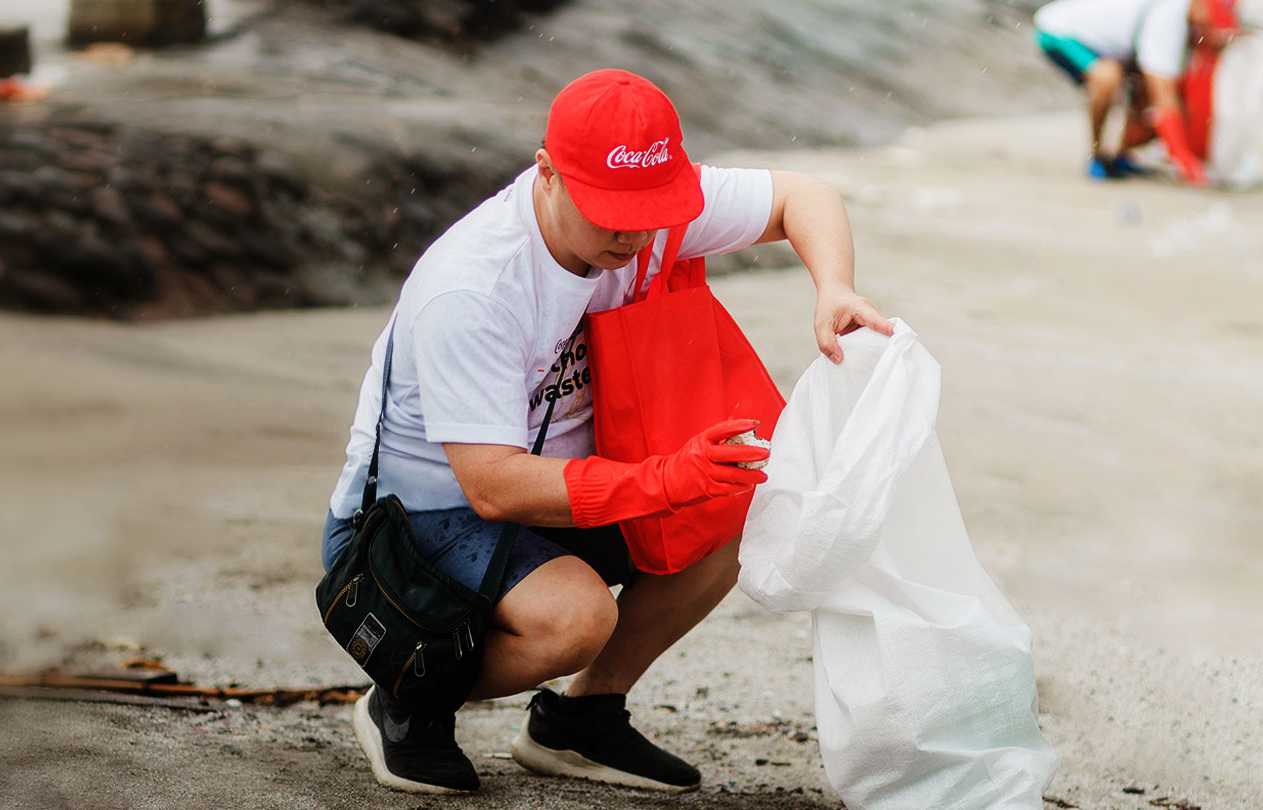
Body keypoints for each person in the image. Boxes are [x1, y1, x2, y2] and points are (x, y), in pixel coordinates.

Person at [320, 68, 892, 795]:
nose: (633, 231)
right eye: (609, 210)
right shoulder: (474, 287)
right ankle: (406, 696)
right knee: (573, 619)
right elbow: (491, 486)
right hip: (412, 525)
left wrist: (833, 286)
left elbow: (805, 194)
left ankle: (579, 721)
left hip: (557, 487)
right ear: (548, 173)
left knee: (737, 502)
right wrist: (664, 479)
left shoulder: (649, 212)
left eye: (651, 208)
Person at [1033, 0, 1240, 184]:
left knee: (1145, 90)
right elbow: (1164, 97)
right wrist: (1184, 159)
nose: (1211, 31)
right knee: (1107, 76)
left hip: (1117, 47)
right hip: (1057, 30)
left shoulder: (1188, 18)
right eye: (1211, 24)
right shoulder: (1168, 17)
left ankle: (1119, 156)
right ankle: (1096, 157)